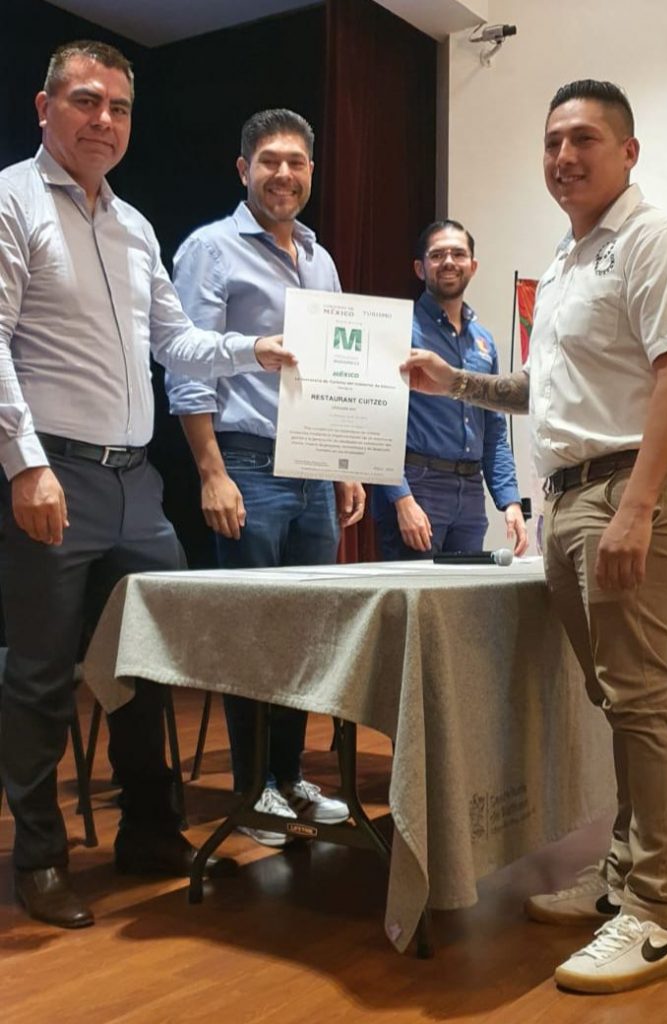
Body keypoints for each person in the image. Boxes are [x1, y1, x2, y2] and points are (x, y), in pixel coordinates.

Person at [402, 80, 667, 994]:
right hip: (571, 499)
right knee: (616, 700)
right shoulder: (570, 260)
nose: (563, 157)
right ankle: (621, 878)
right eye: (551, 142)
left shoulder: (653, 240)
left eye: (583, 139)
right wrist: (454, 383)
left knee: (641, 701)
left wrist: (637, 506)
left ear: (627, 151)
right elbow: (543, 391)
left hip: (626, 490)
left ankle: (654, 915)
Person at [0, 40, 296, 929]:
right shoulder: (12, 200)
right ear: (45, 108)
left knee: (148, 664)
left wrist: (253, 349)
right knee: (42, 678)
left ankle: (150, 832)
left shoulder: (133, 225)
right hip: (53, 472)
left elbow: (176, 339)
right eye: (86, 101)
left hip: (134, 481)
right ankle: (40, 858)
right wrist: (26, 464)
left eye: (120, 107)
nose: (104, 120)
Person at [167, 109, 364, 847]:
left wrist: (344, 462)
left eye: (297, 162)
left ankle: (289, 776)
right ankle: (253, 790)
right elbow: (186, 365)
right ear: (243, 168)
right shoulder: (210, 249)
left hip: (313, 465)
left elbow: (335, 369)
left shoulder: (320, 259)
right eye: (270, 160)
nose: (284, 173)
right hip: (246, 463)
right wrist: (211, 472)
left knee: (306, 633)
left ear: (311, 171)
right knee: (255, 633)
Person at [372, 219, 527, 558]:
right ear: (420, 268)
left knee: (465, 591)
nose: (448, 262)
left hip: (470, 495)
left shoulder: (483, 341)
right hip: (418, 486)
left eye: (458, 254)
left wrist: (510, 501)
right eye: (437, 255)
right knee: (415, 593)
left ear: (473, 266)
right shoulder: (399, 330)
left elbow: (494, 430)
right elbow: (377, 422)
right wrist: (401, 498)